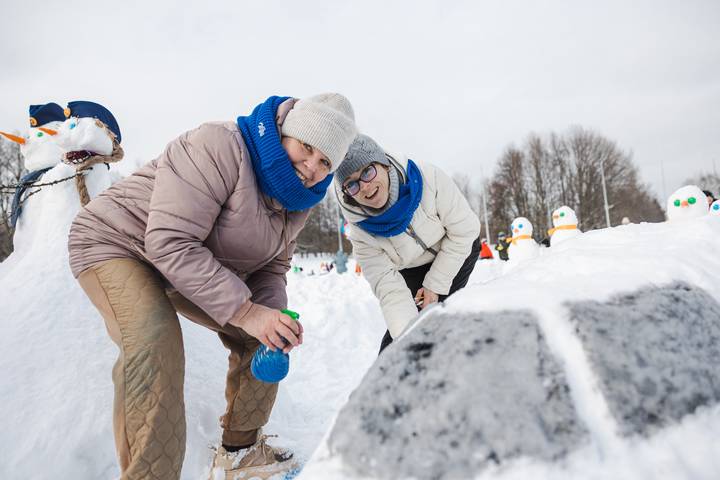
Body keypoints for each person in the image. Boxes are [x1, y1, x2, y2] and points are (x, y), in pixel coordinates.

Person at [67, 93, 357, 480]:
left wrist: (270, 318)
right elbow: (169, 242)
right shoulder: (218, 145)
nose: (311, 167)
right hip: (116, 243)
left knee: (261, 335)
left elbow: (273, 267)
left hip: (186, 264)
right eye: (306, 147)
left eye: (325, 163)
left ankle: (240, 451)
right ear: (285, 133)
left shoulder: (297, 202)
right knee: (155, 339)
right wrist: (248, 312)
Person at [334, 134, 480, 353]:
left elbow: (465, 230)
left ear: (383, 163)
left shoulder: (429, 178)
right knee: (397, 346)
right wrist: (409, 342)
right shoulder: (360, 232)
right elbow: (389, 288)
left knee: (438, 315)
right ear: (347, 195)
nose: (364, 187)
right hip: (411, 269)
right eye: (352, 184)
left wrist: (435, 285)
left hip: (458, 248)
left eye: (367, 171)